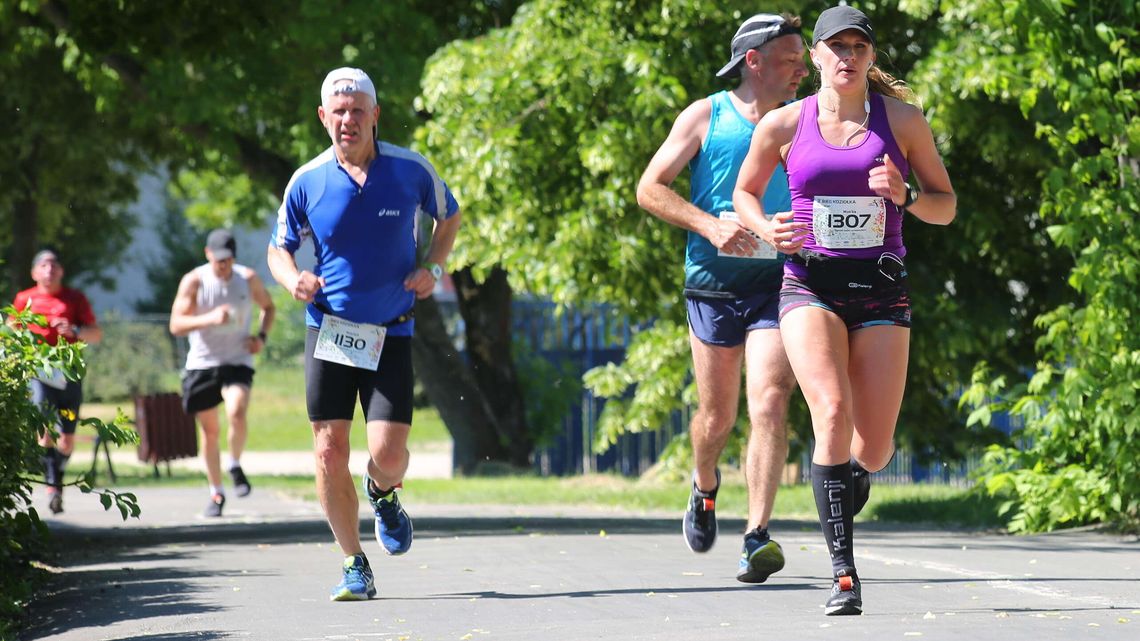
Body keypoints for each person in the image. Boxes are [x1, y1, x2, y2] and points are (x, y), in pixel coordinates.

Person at [733, 5, 956, 615]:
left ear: (871, 57)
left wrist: (905, 195)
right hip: (809, 284)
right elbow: (744, 194)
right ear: (816, 57)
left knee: (876, 447)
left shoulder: (903, 122)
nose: (848, 57)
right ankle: (844, 575)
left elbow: (945, 205)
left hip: (882, 288)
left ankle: (848, 476)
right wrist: (765, 229)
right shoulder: (782, 124)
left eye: (859, 46)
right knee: (830, 411)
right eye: (837, 47)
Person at [267, 67, 461, 602]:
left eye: (358, 110)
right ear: (323, 117)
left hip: (391, 331)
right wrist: (292, 279)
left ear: (375, 115)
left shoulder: (410, 170)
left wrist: (435, 269)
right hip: (328, 329)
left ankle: (383, 491)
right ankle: (354, 562)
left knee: (389, 452)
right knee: (329, 451)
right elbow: (277, 248)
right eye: (339, 110)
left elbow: (449, 217)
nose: (348, 120)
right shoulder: (307, 180)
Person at [635, 13, 807, 583]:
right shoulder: (707, 115)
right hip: (713, 284)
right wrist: (710, 226)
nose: (802, 68)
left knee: (771, 401)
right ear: (753, 62)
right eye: (789, 58)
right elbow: (649, 188)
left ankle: (756, 535)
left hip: (778, 282)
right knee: (716, 418)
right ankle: (704, 486)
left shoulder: (804, 121)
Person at [169, 228, 276, 517]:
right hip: (203, 362)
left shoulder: (248, 279)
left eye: (227, 259)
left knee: (237, 411)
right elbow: (176, 325)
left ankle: (234, 463)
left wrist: (260, 338)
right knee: (210, 431)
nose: (223, 265)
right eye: (218, 260)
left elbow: (268, 307)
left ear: (234, 257)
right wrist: (208, 319)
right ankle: (216, 492)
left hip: (238, 358)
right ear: (208, 255)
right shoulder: (194, 281)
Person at [11, 249, 103, 515]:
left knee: (67, 439)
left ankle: (56, 474)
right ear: (34, 272)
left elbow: (96, 334)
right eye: (43, 265)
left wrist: (74, 331)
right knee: (44, 426)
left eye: (53, 265)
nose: (49, 270)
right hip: (40, 373)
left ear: (61, 271)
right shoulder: (24, 299)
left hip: (69, 373)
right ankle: (53, 486)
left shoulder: (75, 298)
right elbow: (10, 332)